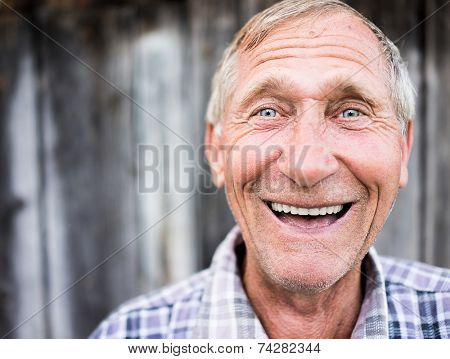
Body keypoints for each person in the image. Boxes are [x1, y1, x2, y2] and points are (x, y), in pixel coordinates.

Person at [90, 0, 450, 339]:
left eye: (351, 112)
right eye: (267, 112)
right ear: (216, 150)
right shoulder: (124, 338)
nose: (307, 167)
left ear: (402, 148)